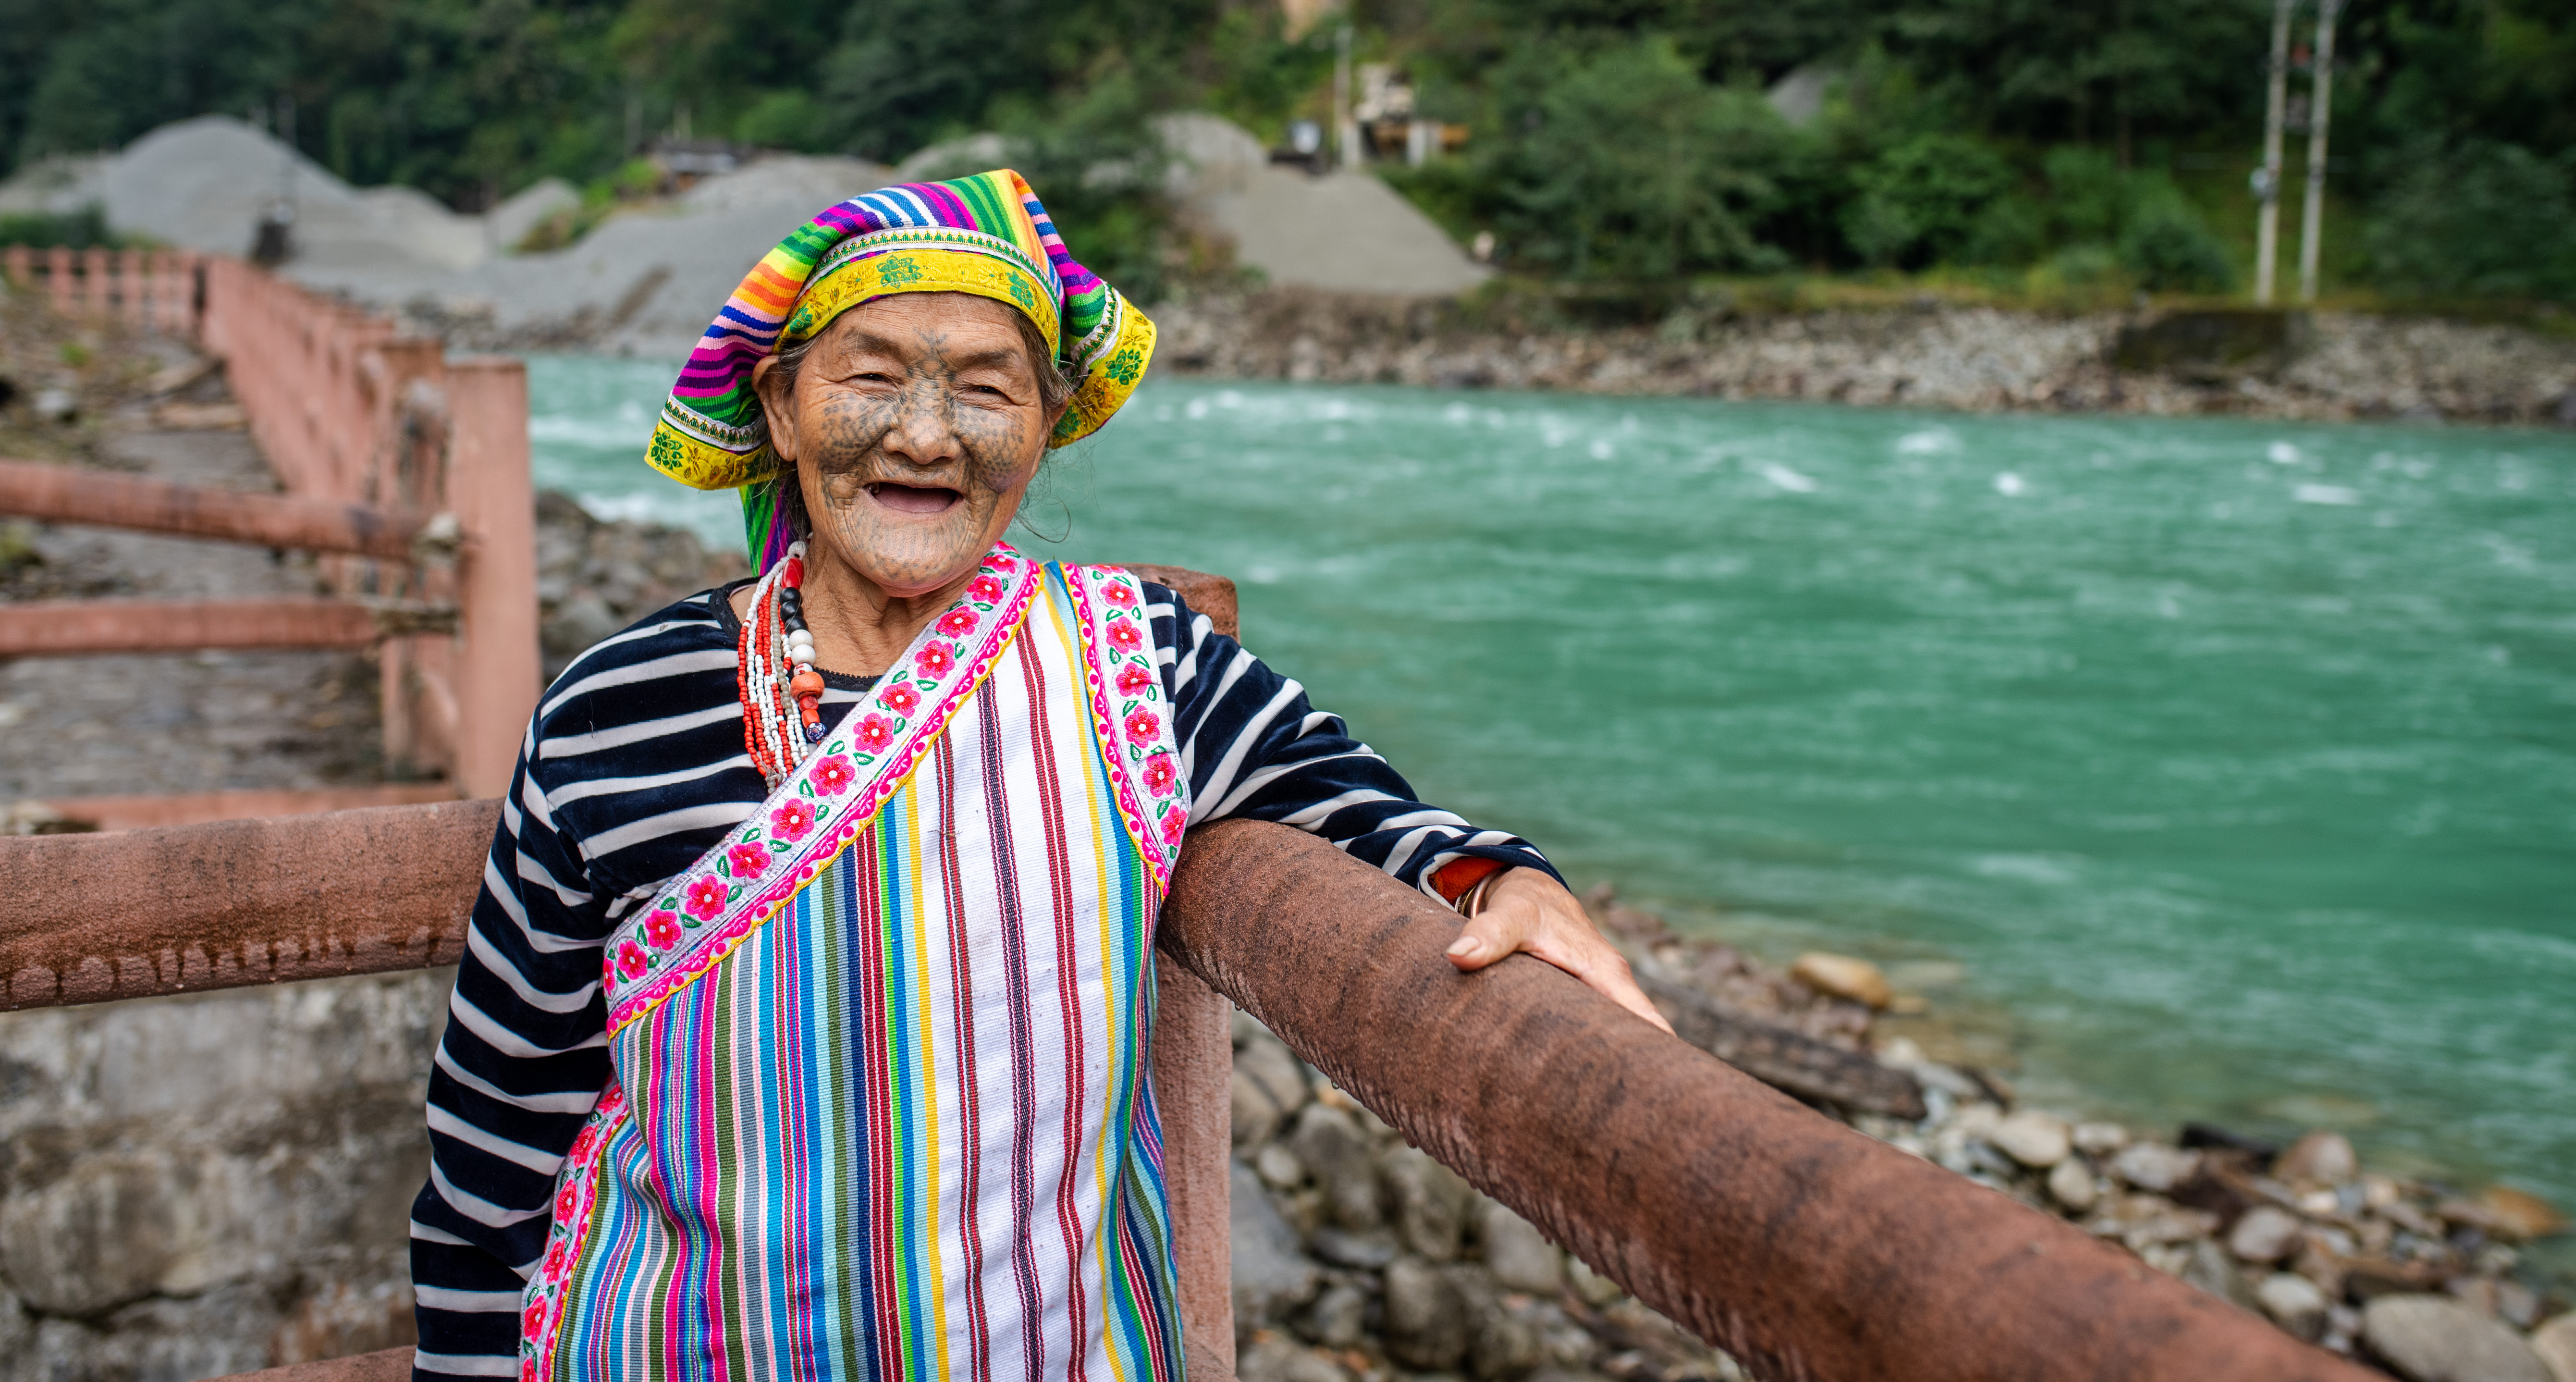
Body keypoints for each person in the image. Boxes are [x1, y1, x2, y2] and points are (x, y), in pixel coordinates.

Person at [408, 171, 1658, 1380]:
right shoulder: (614, 706)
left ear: (1045, 428)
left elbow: (1355, 800)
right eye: (875, 378)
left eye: (985, 391)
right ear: (782, 412)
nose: (924, 434)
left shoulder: (1138, 661)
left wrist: (1505, 881)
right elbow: (497, 1130)